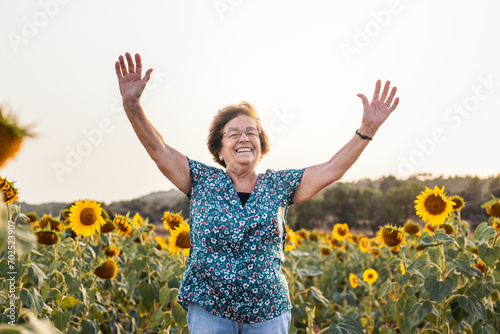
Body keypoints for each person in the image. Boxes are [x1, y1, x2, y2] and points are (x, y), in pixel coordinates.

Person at [115, 52, 399, 333]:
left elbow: (332, 168)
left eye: (252, 133)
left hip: (268, 313)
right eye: (233, 133)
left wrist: (367, 130)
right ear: (218, 149)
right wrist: (132, 105)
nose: (244, 138)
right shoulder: (201, 179)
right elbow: (159, 149)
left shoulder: (278, 185)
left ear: (261, 146)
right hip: (210, 311)